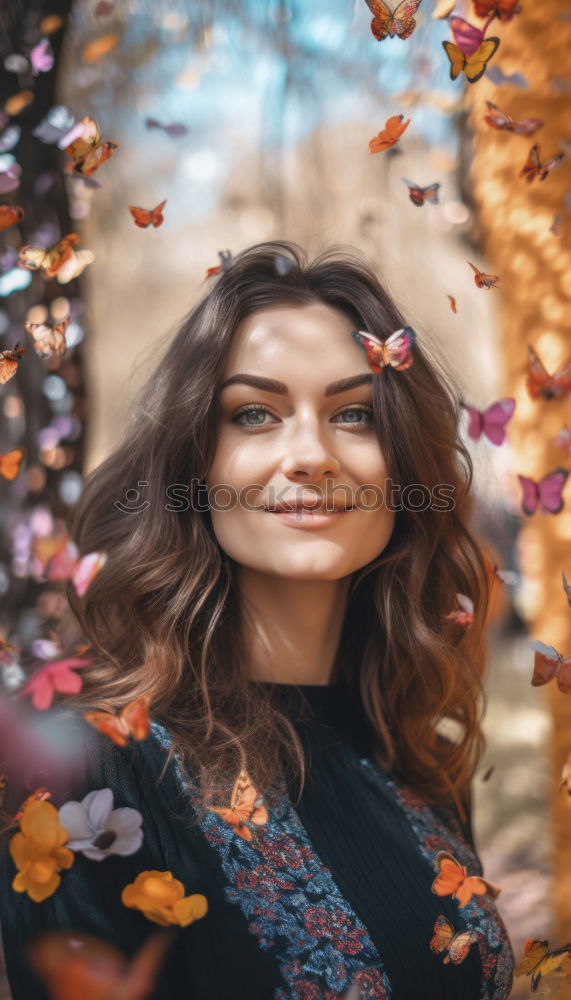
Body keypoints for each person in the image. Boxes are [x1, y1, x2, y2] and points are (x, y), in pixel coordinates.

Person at [0, 240, 515, 1000]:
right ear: (193, 466)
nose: (309, 454)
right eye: (253, 413)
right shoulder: (90, 765)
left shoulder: (418, 753)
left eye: (354, 414)